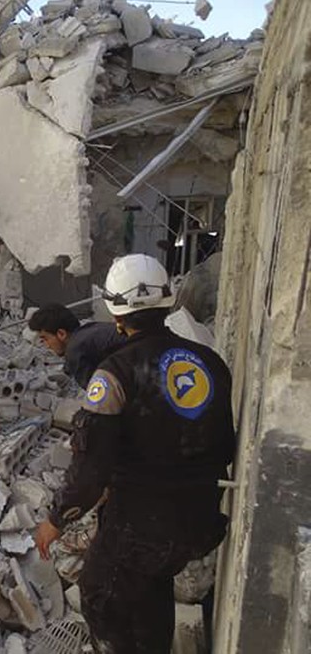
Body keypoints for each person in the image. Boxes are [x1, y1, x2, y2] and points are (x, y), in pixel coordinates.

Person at [33, 254, 235, 654]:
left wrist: (56, 520)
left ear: (116, 312)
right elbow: (223, 442)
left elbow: (91, 468)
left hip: (142, 523)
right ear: (165, 303)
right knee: (150, 585)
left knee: (100, 594)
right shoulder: (210, 362)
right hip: (201, 518)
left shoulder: (114, 374)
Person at [28, 303, 127, 388]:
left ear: (61, 334)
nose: (47, 345)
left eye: (45, 339)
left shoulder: (74, 349)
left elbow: (98, 394)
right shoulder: (89, 330)